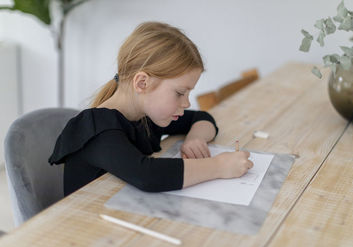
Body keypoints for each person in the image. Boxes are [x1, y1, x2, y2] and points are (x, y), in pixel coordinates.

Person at [48, 22, 253, 196]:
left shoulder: (146, 115)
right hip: (88, 228)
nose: (187, 103)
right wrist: (219, 166)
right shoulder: (97, 128)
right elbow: (147, 175)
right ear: (142, 83)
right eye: (180, 93)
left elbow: (201, 117)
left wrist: (195, 138)